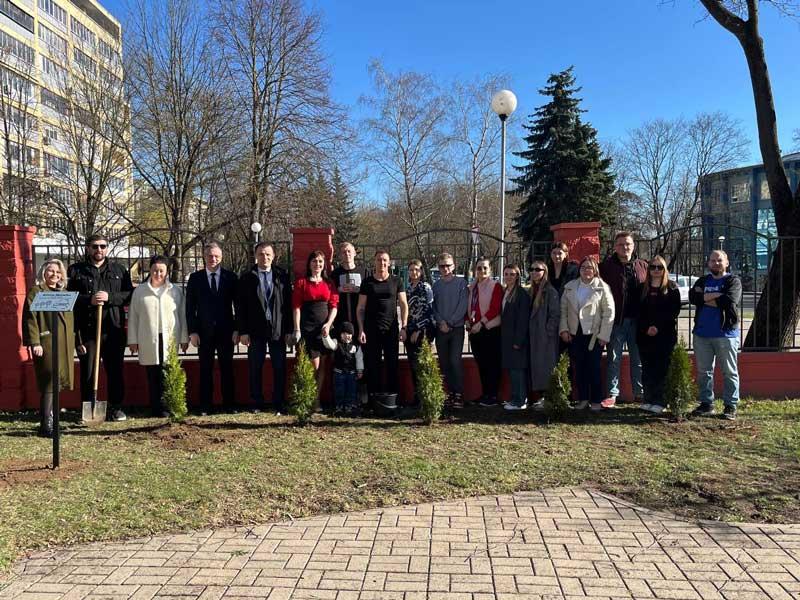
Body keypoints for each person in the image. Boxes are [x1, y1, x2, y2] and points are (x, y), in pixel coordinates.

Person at [68, 234, 133, 422]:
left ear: (107, 248)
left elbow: (129, 295)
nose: (99, 250)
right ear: (88, 248)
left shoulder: (119, 270)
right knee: (88, 372)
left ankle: (116, 408)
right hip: (88, 331)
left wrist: (110, 297)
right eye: (95, 246)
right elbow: (69, 297)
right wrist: (89, 299)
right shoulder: (76, 270)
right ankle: (88, 408)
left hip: (113, 330)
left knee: (115, 371)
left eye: (103, 246)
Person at [127, 256, 189, 417]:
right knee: (152, 373)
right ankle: (155, 407)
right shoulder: (140, 291)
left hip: (170, 338)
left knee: (168, 372)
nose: (158, 274)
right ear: (150, 270)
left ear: (167, 272)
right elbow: (133, 317)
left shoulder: (175, 291)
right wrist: (132, 340)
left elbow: (182, 315)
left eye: (161, 271)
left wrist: (184, 338)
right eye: (155, 270)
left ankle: (168, 406)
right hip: (148, 338)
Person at [22, 259, 77, 437]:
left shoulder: (64, 293)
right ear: (44, 272)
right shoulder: (37, 291)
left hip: (64, 345)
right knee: (49, 383)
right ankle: (46, 425)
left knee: (57, 383)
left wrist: (78, 342)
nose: (55, 274)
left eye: (58, 272)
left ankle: (53, 420)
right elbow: (30, 318)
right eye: (51, 271)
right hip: (46, 343)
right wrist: (35, 342)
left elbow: (71, 321)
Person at [237, 242, 292, 413]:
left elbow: (288, 305)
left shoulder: (282, 276)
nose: (264, 257)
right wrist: (243, 331)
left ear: (273, 256)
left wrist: (289, 330)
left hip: (277, 330)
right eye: (261, 254)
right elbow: (240, 307)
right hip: (255, 330)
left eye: (268, 254)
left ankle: (278, 402)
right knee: (255, 367)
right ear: (255, 256)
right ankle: (256, 402)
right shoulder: (247, 277)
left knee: (279, 367)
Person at [185, 242, 238, 414]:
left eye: (216, 256)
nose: (213, 259)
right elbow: (189, 308)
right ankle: (205, 405)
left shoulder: (231, 277)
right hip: (203, 332)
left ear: (221, 257)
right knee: (205, 369)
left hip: (226, 332)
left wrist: (237, 329)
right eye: (210, 255)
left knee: (227, 368)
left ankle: (229, 404)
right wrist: (192, 331)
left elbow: (238, 306)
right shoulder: (195, 278)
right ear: (204, 257)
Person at [689, 250, 742, 420]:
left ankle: (730, 406)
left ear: (726, 263)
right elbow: (693, 298)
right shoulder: (703, 280)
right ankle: (706, 404)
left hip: (725, 334)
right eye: (713, 260)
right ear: (708, 263)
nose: (716, 263)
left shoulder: (733, 281)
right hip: (702, 334)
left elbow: (730, 300)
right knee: (704, 372)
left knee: (729, 372)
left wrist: (704, 298)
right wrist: (717, 297)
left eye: (719, 260)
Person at [560, 257, 615, 411]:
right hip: (575, 333)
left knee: (594, 368)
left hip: (594, 335)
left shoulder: (602, 287)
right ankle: (583, 399)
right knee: (580, 368)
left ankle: (596, 400)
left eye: (590, 267)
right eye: (583, 267)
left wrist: (604, 335)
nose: (586, 270)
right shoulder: (570, 287)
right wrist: (564, 329)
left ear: (595, 270)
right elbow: (563, 310)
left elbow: (609, 312)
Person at [599, 231, 647, 407]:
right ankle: (612, 394)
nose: (624, 247)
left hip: (638, 321)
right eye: (620, 244)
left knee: (638, 359)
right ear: (615, 247)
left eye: (627, 244)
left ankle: (639, 393)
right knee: (613, 359)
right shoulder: (606, 267)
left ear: (633, 246)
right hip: (616, 321)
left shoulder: (643, 266)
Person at [357, 250, 408, 405]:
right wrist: (361, 329)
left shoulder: (397, 280)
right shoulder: (367, 282)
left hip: (391, 330)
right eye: (379, 260)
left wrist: (404, 326)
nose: (382, 263)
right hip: (371, 330)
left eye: (385, 260)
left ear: (389, 262)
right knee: (373, 366)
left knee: (392, 364)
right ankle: (374, 401)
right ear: (375, 262)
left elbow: (404, 304)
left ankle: (393, 401)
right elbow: (360, 308)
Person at [292, 250, 339, 408]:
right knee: (314, 365)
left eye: (320, 261)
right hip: (307, 329)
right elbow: (296, 308)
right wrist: (297, 329)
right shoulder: (301, 282)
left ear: (324, 264)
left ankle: (316, 399)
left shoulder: (329, 283)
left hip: (324, 330)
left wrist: (328, 324)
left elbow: (334, 306)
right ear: (309, 264)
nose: (317, 264)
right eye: (314, 261)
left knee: (323, 365)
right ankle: (308, 396)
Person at [637, 255, 682, 415]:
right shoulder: (641, 288)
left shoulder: (672, 288)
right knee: (647, 368)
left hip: (665, 335)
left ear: (664, 269)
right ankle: (648, 399)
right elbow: (637, 311)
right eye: (653, 267)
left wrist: (657, 327)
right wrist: (646, 328)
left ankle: (660, 400)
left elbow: (673, 311)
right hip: (644, 335)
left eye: (660, 267)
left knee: (661, 369)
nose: (656, 270)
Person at [432, 252, 468, 409]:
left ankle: (459, 393)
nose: (445, 268)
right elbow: (433, 307)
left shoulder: (461, 283)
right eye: (442, 266)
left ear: (453, 266)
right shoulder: (436, 285)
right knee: (444, 363)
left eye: (448, 265)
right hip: (441, 329)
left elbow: (463, 304)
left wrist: (451, 322)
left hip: (456, 328)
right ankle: (450, 393)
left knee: (455, 361)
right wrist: (441, 322)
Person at [466, 258, 503, 407]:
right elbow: (468, 306)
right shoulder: (472, 287)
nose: (482, 271)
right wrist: (467, 320)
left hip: (489, 329)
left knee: (491, 364)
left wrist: (481, 323)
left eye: (485, 268)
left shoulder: (495, 286)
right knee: (481, 364)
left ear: (490, 269)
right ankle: (485, 394)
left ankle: (493, 395)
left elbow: (495, 308)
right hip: (475, 331)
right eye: (479, 268)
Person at [527, 260, 561, 410]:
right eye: (532, 269)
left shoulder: (550, 291)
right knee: (537, 367)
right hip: (533, 335)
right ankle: (541, 397)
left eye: (538, 269)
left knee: (546, 367)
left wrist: (548, 332)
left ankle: (548, 398)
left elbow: (555, 315)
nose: (534, 272)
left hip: (545, 337)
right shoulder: (531, 290)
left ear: (544, 272)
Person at [405, 259, 435, 406]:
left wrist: (418, 329)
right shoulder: (408, 288)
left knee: (422, 365)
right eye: (411, 270)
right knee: (413, 365)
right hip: (409, 330)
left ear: (421, 271)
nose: (414, 272)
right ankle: (417, 397)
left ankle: (425, 398)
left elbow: (428, 311)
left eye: (417, 269)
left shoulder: (425, 287)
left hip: (422, 331)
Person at [500, 264, 530, 411]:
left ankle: (520, 401)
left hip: (517, 340)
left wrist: (518, 341)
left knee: (517, 370)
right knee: (512, 370)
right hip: (507, 339)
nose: (508, 277)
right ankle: (514, 398)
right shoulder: (505, 291)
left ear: (517, 276)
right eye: (506, 274)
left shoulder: (521, 294)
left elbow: (523, 319)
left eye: (512, 274)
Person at [322, 321, 363, 415]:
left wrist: (360, 370)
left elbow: (359, 358)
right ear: (340, 334)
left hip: (351, 373)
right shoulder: (336, 343)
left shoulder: (356, 345)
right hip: (339, 373)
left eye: (349, 334)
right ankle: (339, 407)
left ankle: (349, 406)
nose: (346, 336)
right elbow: (329, 344)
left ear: (352, 334)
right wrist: (325, 336)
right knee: (339, 391)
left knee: (351, 391)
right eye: (344, 333)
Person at [331, 242, 367, 337]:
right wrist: (338, 290)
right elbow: (329, 294)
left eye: (349, 251)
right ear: (340, 255)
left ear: (354, 253)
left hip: (361, 320)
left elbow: (370, 292)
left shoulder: (364, 272)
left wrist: (358, 290)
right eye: (344, 252)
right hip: (341, 319)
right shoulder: (335, 274)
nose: (347, 254)